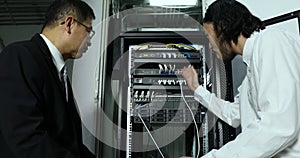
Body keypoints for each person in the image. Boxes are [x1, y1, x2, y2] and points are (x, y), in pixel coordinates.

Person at [182, 0, 300, 157]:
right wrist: (197, 89)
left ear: (222, 26)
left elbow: (280, 127)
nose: (209, 46)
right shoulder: (250, 76)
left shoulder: (271, 42)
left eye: (208, 37)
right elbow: (233, 114)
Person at [0, 0, 96, 158]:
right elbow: (25, 137)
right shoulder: (20, 56)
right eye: (88, 31)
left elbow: (68, 143)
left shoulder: (57, 70)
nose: (89, 41)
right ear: (69, 24)